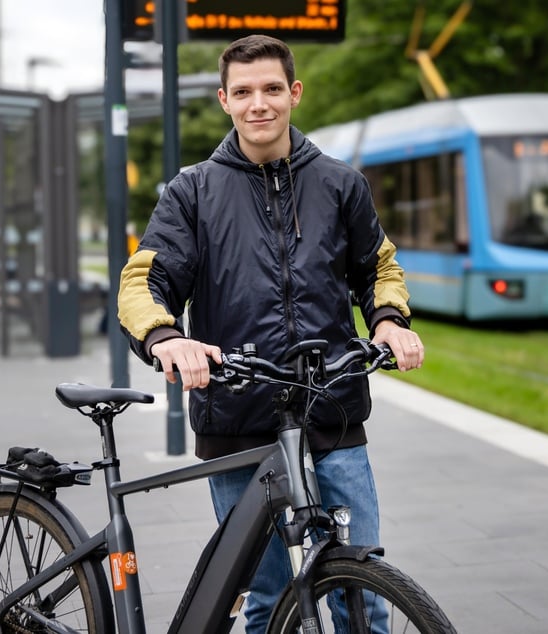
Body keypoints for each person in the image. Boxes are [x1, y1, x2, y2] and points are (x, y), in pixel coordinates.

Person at [118, 34, 424, 632]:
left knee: (363, 593)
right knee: (265, 596)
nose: (259, 103)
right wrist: (165, 337)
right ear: (225, 101)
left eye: (271, 89)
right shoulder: (193, 191)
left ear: (294, 93)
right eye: (244, 92)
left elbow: (378, 266)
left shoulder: (340, 185)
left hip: (332, 412)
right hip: (238, 421)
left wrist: (388, 318)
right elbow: (142, 282)